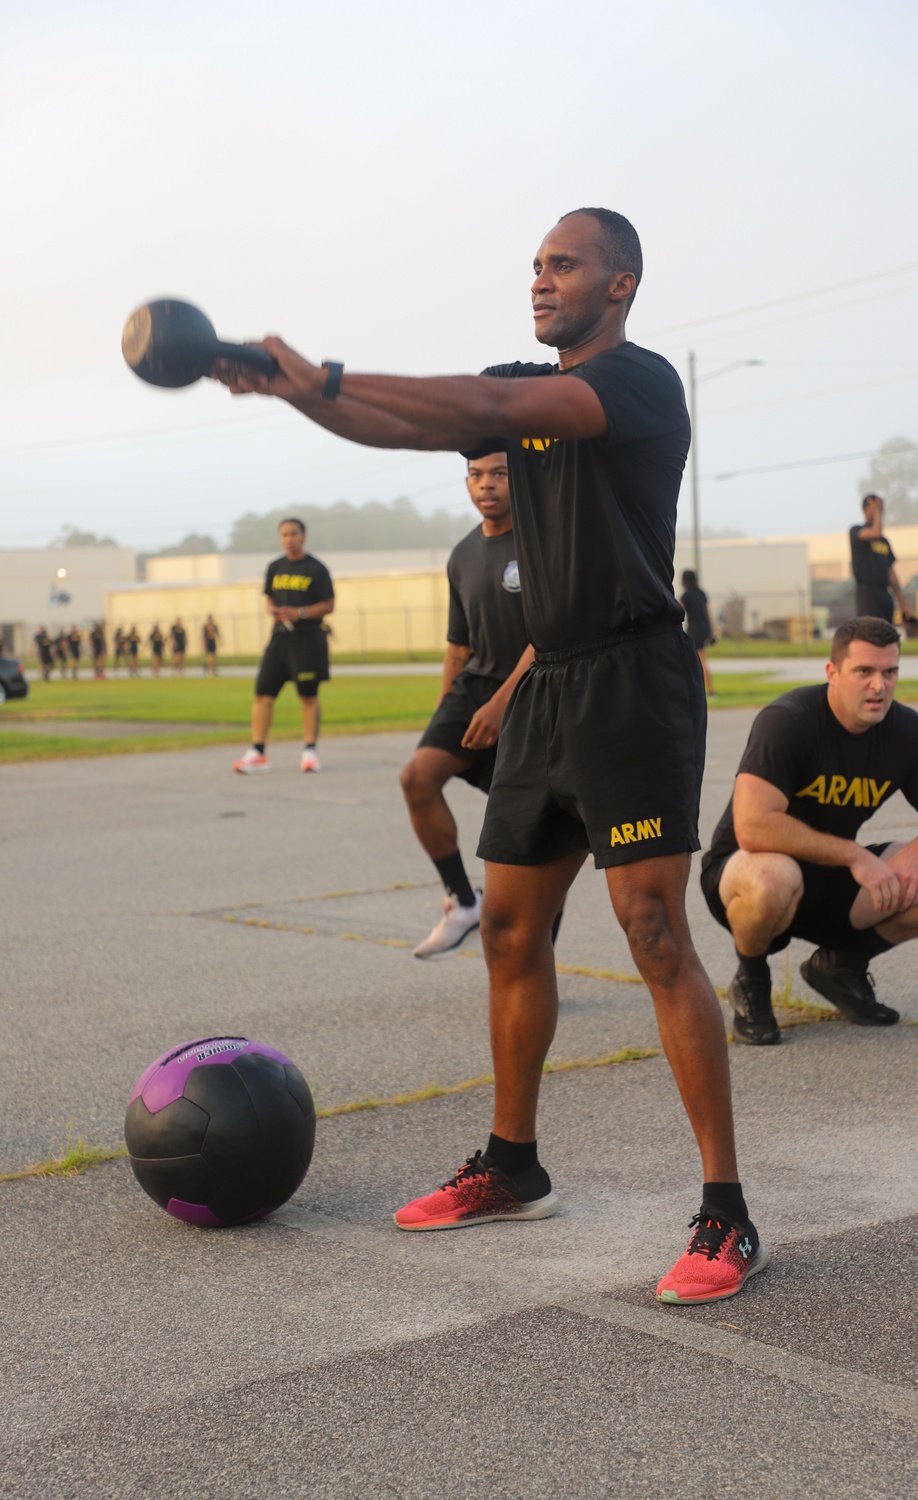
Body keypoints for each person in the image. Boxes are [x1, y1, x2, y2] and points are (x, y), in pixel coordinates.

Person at [214, 207, 763, 1305]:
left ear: (621, 285)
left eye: (563, 265)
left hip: (632, 680)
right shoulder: (523, 389)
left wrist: (318, 367)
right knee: (509, 931)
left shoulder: (637, 383)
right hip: (547, 682)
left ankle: (726, 1214)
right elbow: (417, 424)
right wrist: (297, 393)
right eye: (535, 266)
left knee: (653, 931)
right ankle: (512, 1167)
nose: (541, 280)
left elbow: (485, 404)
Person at [701, 616, 918, 1046]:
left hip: (832, 879)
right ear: (832, 673)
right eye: (864, 672)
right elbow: (753, 827)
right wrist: (857, 857)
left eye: (890, 672)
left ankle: (840, 966)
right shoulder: (789, 720)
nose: (879, 686)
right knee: (775, 877)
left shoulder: (907, 733)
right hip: (747, 874)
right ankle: (752, 978)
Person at [400, 447, 535, 957]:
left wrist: (503, 705)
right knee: (417, 777)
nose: (486, 485)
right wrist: (444, 707)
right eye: (476, 475)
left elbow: (549, 634)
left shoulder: (542, 543)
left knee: (528, 839)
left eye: (499, 473)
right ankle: (462, 900)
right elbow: (458, 645)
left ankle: (534, 960)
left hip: (533, 695)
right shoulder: (461, 554)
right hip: (474, 688)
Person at [232, 519, 335, 774]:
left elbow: (329, 605)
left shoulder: (316, 568)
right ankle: (258, 752)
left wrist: (299, 612)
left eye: (294, 533)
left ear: (304, 536)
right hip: (279, 639)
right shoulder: (275, 567)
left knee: (308, 696)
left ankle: (310, 752)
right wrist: (273, 611)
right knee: (263, 694)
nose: (289, 538)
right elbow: (270, 598)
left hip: (308, 639)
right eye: (284, 534)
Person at [849, 494, 909, 623]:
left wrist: (903, 602)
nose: (879, 513)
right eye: (875, 509)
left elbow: (891, 573)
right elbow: (876, 532)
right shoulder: (856, 531)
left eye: (880, 510)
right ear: (865, 509)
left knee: (887, 632)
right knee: (870, 630)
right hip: (867, 593)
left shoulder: (884, 542)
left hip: (884, 592)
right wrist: (876, 512)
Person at [679, 568, 716, 697]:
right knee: (698, 659)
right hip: (704, 627)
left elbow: (678, 610)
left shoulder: (686, 595)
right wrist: (711, 630)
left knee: (700, 660)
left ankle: (710, 691)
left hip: (694, 628)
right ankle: (706, 690)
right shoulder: (701, 593)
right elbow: (707, 613)